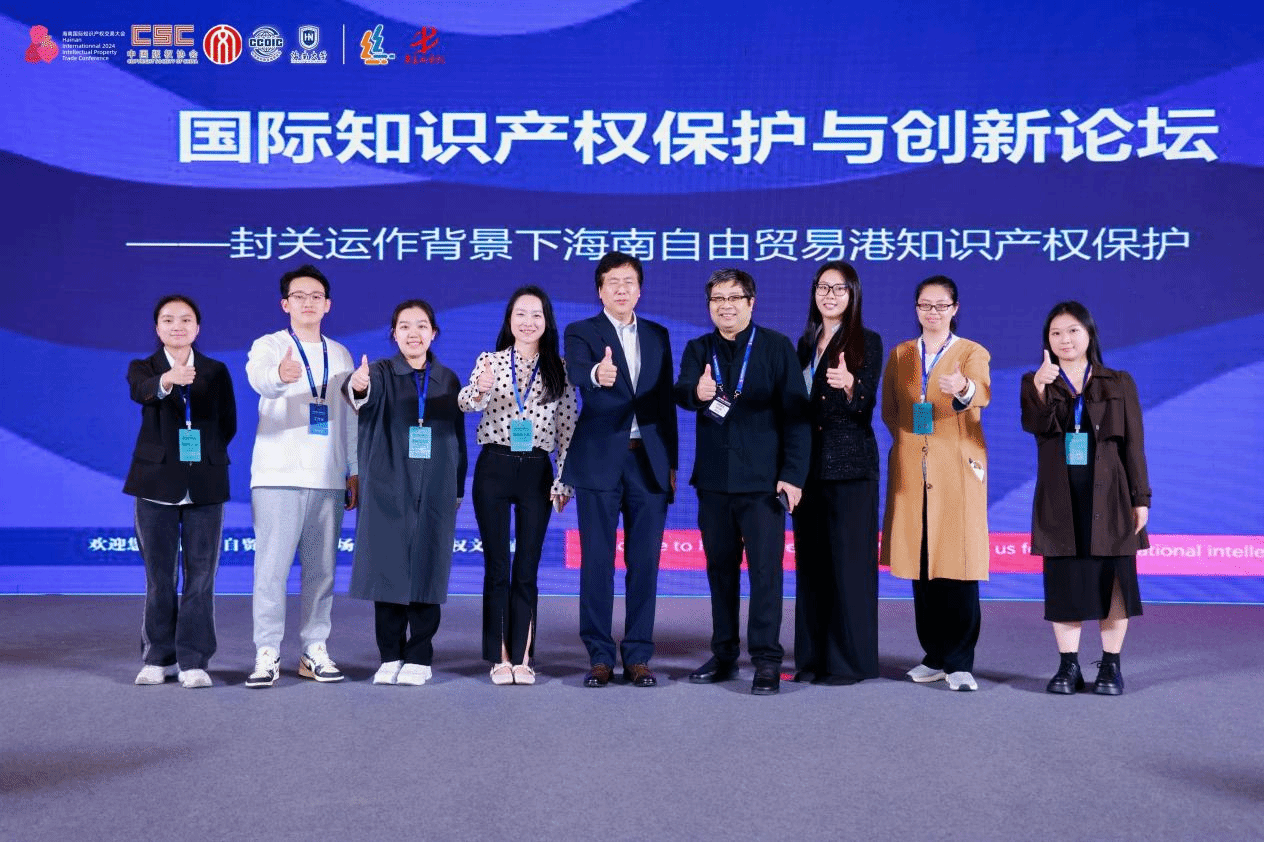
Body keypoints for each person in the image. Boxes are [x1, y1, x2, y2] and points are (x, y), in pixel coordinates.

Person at [675, 269, 810, 696]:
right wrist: (696, 394)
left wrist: (793, 475)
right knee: (720, 572)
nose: (726, 306)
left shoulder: (776, 346)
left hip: (764, 484)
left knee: (766, 574)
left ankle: (767, 660)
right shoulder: (699, 348)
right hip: (714, 482)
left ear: (752, 302)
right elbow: (682, 390)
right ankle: (724, 654)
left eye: (734, 297)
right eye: (718, 298)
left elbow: (797, 416)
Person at [1021, 301, 1150, 695]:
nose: (1065, 339)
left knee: (1115, 582)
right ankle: (1068, 666)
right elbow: (1035, 426)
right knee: (1065, 582)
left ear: (1090, 333)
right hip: (1061, 499)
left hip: (1111, 498)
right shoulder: (1035, 381)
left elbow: (1134, 444)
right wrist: (1040, 388)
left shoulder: (1118, 382)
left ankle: (1110, 666)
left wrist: (1140, 498)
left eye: (1073, 330)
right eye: (1056, 333)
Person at [563, 251, 678, 688]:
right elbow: (577, 372)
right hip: (599, 461)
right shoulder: (581, 331)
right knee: (597, 562)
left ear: (640, 290)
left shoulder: (657, 335)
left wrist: (671, 463)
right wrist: (598, 373)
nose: (621, 289)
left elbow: (664, 404)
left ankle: (638, 656)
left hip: (648, 461)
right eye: (612, 282)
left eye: (629, 281)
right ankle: (598, 656)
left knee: (645, 562)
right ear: (600, 290)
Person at [244, 265, 358, 688]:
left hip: (327, 476)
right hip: (277, 474)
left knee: (321, 571)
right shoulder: (270, 346)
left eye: (316, 296)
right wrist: (280, 376)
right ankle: (267, 651)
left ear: (328, 305)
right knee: (271, 571)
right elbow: (260, 381)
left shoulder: (341, 354)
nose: (308, 302)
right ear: (285, 304)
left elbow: (349, 416)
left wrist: (355, 469)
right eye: (299, 296)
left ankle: (314, 648)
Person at [459, 286, 578, 686]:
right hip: (494, 466)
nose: (528, 322)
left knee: (526, 568)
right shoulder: (489, 360)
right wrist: (481, 388)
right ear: (509, 320)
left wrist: (563, 480)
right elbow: (466, 403)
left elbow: (568, 429)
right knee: (497, 567)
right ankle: (499, 657)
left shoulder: (560, 369)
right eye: (520, 314)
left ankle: (524, 658)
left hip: (537, 472)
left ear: (547, 322)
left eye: (536, 315)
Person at [346, 300, 467, 686]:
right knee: (389, 570)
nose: (413, 333)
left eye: (421, 326)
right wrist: (357, 385)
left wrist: (457, 486)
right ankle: (390, 655)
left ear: (433, 333)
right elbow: (359, 395)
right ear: (394, 334)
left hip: (435, 485)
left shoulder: (447, 378)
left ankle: (419, 655)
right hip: (387, 485)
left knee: (429, 569)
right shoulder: (380, 372)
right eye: (404, 326)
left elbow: (458, 437)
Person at [881, 276, 991, 692]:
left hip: (956, 470)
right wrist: (912, 444)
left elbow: (981, 393)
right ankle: (934, 656)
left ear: (955, 309)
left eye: (941, 305)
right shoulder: (901, 354)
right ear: (916, 309)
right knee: (922, 566)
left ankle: (960, 661)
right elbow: (891, 410)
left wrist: (963, 387)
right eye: (925, 305)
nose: (933, 312)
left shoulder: (972, 352)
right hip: (913, 471)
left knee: (957, 567)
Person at [125, 295, 237, 689]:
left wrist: (204, 455)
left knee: (201, 576)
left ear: (197, 328)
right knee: (159, 577)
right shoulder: (144, 368)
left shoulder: (215, 370)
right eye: (169, 320)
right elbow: (141, 391)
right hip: (155, 483)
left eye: (186, 319)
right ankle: (158, 657)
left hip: (205, 482)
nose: (177, 326)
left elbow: (227, 423)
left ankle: (193, 660)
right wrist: (167, 380)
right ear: (157, 328)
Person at [791, 261, 883, 686]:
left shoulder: (867, 341)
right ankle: (812, 660)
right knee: (812, 566)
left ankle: (849, 663)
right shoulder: (805, 343)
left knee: (850, 566)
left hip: (850, 469)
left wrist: (849, 384)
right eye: (823, 287)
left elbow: (864, 405)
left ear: (853, 294)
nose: (830, 295)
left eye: (839, 288)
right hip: (807, 471)